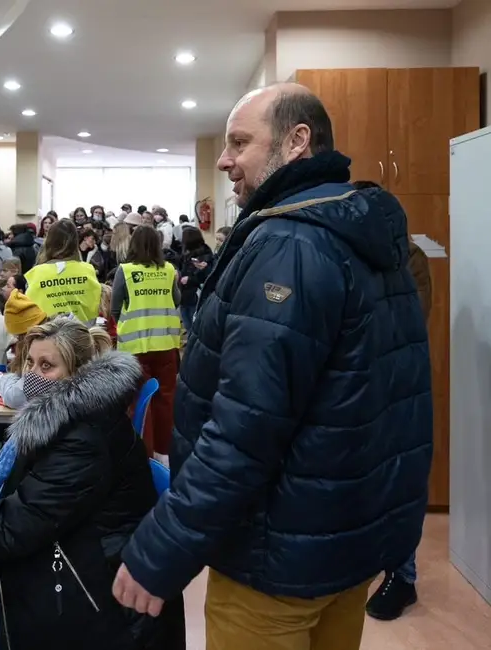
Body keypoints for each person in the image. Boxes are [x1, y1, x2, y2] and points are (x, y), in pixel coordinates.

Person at [114, 83, 432, 650]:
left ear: (296, 141)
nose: (224, 160)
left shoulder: (290, 245)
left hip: (275, 556)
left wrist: (162, 548)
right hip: (344, 542)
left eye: (240, 142)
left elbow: (244, 429)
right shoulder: (357, 231)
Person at [0, 319, 186, 650]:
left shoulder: (84, 439)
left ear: (78, 373)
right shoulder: (75, 416)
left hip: (93, 608)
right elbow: (18, 458)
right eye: (30, 363)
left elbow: (11, 527)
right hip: (79, 574)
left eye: (46, 366)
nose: (32, 375)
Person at [353, 179, 432, 621]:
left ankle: (403, 576)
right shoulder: (343, 255)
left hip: (397, 383)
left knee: (399, 483)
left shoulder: (410, 258)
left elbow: (413, 318)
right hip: (356, 387)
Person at [111, 226, 181, 456]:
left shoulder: (125, 270)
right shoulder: (168, 270)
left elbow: (114, 309)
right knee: (166, 399)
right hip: (166, 345)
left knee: (140, 401)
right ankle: (164, 454)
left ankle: (143, 454)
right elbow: (176, 300)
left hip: (135, 347)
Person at [26, 219, 102, 324]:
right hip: (83, 332)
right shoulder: (88, 271)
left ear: (49, 241)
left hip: (47, 332)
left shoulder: (35, 274)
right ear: (75, 242)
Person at [0, 291, 49, 409]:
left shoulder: (44, 349)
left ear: (25, 336)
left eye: (17, 337)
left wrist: (6, 378)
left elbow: (14, 397)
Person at [177, 226, 214, 331]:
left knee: (194, 323)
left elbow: (205, 275)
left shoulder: (203, 254)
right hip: (185, 293)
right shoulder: (186, 253)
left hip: (194, 294)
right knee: (187, 322)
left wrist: (190, 279)